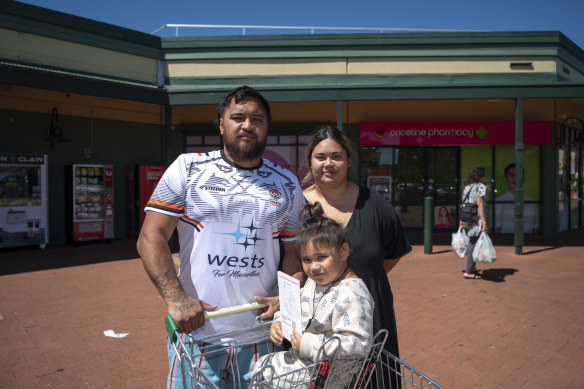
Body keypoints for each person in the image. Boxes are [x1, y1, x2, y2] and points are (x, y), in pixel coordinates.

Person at [136, 85, 305, 388]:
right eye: (238, 117)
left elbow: (293, 250)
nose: (247, 125)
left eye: (257, 119)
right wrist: (177, 300)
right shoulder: (187, 169)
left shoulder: (288, 183)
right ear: (221, 124)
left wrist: (287, 300)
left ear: (266, 127)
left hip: (262, 337)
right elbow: (151, 237)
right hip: (198, 335)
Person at [302, 125, 411, 388]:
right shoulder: (296, 205)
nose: (329, 163)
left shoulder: (374, 204)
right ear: (310, 162)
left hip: (371, 321)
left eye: (337, 156)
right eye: (321, 157)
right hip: (315, 328)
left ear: (349, 160)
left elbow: (391, 255)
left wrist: (359, 283)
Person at [253, 202, 374, 387]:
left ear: (343, 251)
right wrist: (279, 322)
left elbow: (358, 345)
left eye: (321, 257)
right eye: (306, 260)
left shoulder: (353, 294)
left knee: (263, 371)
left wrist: (308, 344)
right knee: (261, 367)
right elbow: (298, 307)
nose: (314, 267)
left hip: (327, 376)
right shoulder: (314, 282)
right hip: (307, 365)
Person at [459, 167, 488, 279]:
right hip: (477, 218)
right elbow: (480, 205)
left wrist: (461, 220)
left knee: (474, 241)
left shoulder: (467, 187)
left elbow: (463, 203)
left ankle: (473, 268)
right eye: (484, 175)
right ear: (480, 176)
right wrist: (484, 221)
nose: (485, 177)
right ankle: (468, 271)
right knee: (473, 243)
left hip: (467, 217)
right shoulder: (482, 187)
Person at [494, 163, 539, 234]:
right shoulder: (498, 202)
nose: (515, 179)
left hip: (530, 243)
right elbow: (496, 231)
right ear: (506, 179)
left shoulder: (532, 202)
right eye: (512, 175)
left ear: (523, 178)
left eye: (518, 175)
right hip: (506, 243)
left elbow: (536, 229)